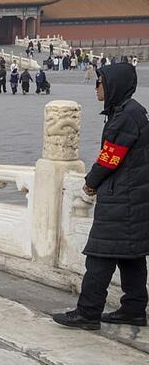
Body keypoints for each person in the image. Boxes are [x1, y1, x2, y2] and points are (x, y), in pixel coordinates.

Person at [54, 63, 148, 330]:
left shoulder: (126, 117)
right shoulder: (130, 112)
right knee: (130, 254)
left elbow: (110, 158)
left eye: (100, 82)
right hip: (133, 196)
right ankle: (134, 309)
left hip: (123, 199)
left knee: (99, 255)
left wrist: (90, 183)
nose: (96, 88)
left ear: (113, 85)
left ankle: (88, 312)